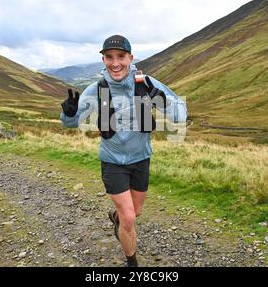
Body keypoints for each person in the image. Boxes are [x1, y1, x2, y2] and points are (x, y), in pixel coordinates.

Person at [60, 35, 187, 267]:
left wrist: (158, 100)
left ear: (131, 57)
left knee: (134, 212)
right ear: (103, 59)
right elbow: (70, 123)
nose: (115, 63)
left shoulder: (146, 83)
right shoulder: (96, 90)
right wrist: (68, 113)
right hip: (112, 161)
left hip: (141, 159)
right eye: (109, 57)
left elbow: (180, 116)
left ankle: (116, 218)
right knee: (129, 218)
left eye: (120, 57)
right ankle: (132, 263)